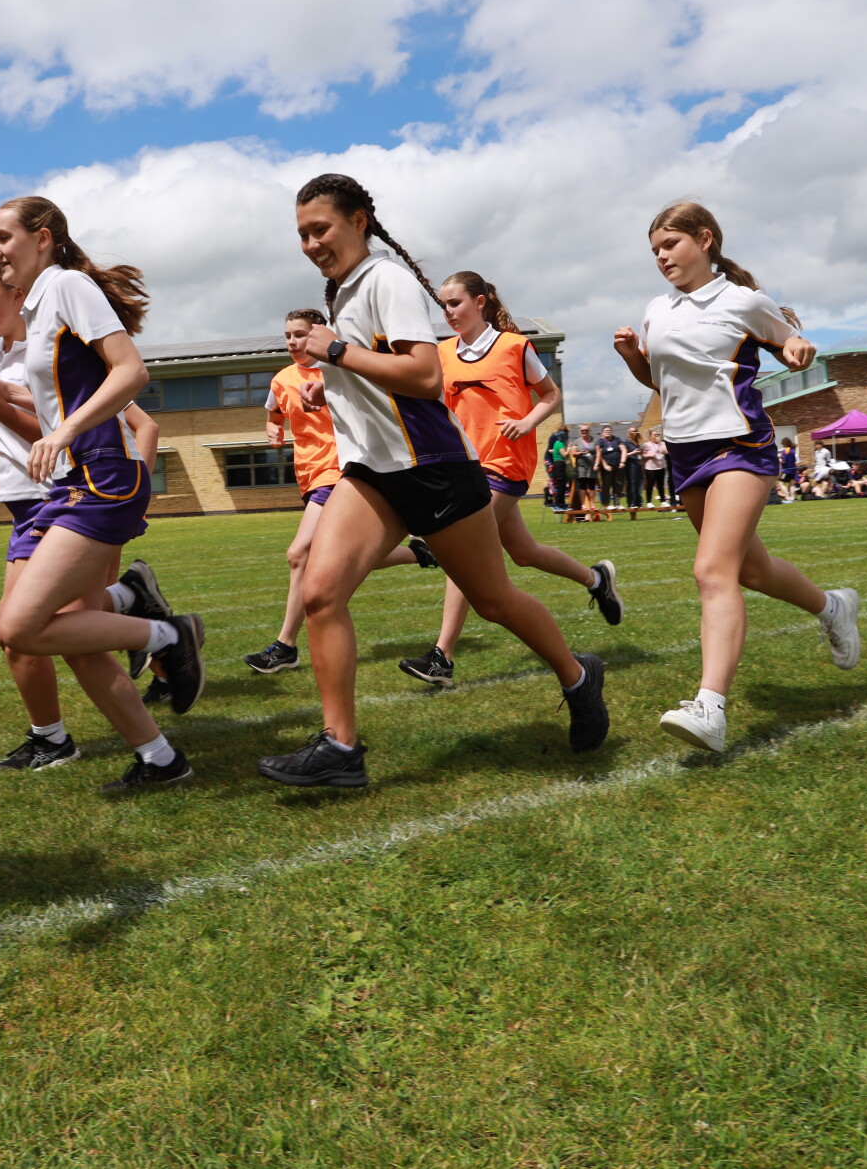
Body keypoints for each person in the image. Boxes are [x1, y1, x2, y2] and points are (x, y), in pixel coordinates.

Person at [254, 174, 608, 788]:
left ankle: (578, 676)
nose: (311, 244)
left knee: (494, 601)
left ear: (358, 221)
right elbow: (374, 372)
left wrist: (334, 355)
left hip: (434, 468)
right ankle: (340, 748)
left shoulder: (385, 279)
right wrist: (329, 386)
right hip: (372, 472)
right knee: (320, 592)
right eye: (303, 234)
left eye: (321, 229)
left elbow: (423, 376)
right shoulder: (344, 292)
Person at [613, 202, 859, 754]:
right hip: (684, 454)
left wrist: (797, 347)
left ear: (705, 240)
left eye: (670, 245)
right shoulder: (657, 309)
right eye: (654, 250)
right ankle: (832, 607)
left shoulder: (743, 301)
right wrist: (632, 356)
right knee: (751, 569)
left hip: (739, 445)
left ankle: (710, 708)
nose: (661, 257)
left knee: (712, 570)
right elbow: (659, 379)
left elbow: (789, 344)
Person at [0, 194, 208, 792]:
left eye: (3, 237)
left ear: (43, 237)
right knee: (74, 634)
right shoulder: (38, 306)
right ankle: (160, 759)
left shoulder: (67, 286)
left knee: (19, 626)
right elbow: (60, 397)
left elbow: (131, 371)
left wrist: (63, 432)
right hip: (70, 483)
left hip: (102, 477)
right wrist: (4, 399)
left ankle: (168, 635)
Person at [0, 252, 171, 769]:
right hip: (27, 502)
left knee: (38, 632)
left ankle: (156, 637)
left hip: (60, 499)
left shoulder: (54, 345)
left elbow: (87, 428)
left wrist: (0, 406)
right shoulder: (1, 358)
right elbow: (3, 432)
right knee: (37, 634)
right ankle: (134, 621)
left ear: (17, 294)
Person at [394, 272, 623, 689]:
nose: (448, 312)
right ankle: (596, 579)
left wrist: (527, 421)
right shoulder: (441, 353)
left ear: (480, 301)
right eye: (443, 305)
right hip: (464, 464)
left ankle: (442, 657)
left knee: (463, 549)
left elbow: (550, 395)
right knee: (523, 552)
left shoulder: (515, 347)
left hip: (506, 463)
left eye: (455, 303)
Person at [243, 307, 437, 676]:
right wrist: (273, 428)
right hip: (308, 475)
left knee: (299, 554)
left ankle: (285, 646)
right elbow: (274, 412)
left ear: (318, 334)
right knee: (341, 558)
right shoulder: (281, 380)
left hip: (340, 471)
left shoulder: (339, 371)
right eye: (288, 336)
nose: (292, 342)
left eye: (300, 334)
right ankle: (418, 553)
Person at [596, 423, 627, 508]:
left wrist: (622, 462)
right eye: (606, 431)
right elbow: (599, 454)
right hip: (606, 467)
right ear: (602, 432)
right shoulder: (600, 441)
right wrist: (605, 465)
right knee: (606, 485)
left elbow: (624, 450)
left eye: (609, 430)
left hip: (618, 466)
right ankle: (606, 504)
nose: (608, 432)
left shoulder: (617, 439)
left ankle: (617, 504)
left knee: (618, 485)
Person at [568, 424, 597, 511]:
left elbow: (598, 452)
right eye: (582, 431)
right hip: (581, 466)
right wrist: (580, 453)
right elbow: (573, 453)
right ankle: (583, 505)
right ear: (580, 432)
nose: (584, 432)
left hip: (591, 466)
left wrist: (597, 464)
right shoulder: (576, 441)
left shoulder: (594, 441)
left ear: (589, 431)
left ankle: (592, 504)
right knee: (582, 485)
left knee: (592, 485)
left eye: (586, 430)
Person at [643, 427, 669, 504]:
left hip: (661, 467)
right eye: (654, 435)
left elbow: (666, 451)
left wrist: (659, 444)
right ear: (650, 436)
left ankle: (663, 501)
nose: (656, 436)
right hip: (650, 468)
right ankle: (649, 502)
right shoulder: (647, 445)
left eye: (657, 434)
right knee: (650, 484)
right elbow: (643, 455)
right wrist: (649, 455)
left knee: (661, 485)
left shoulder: (662, 444)